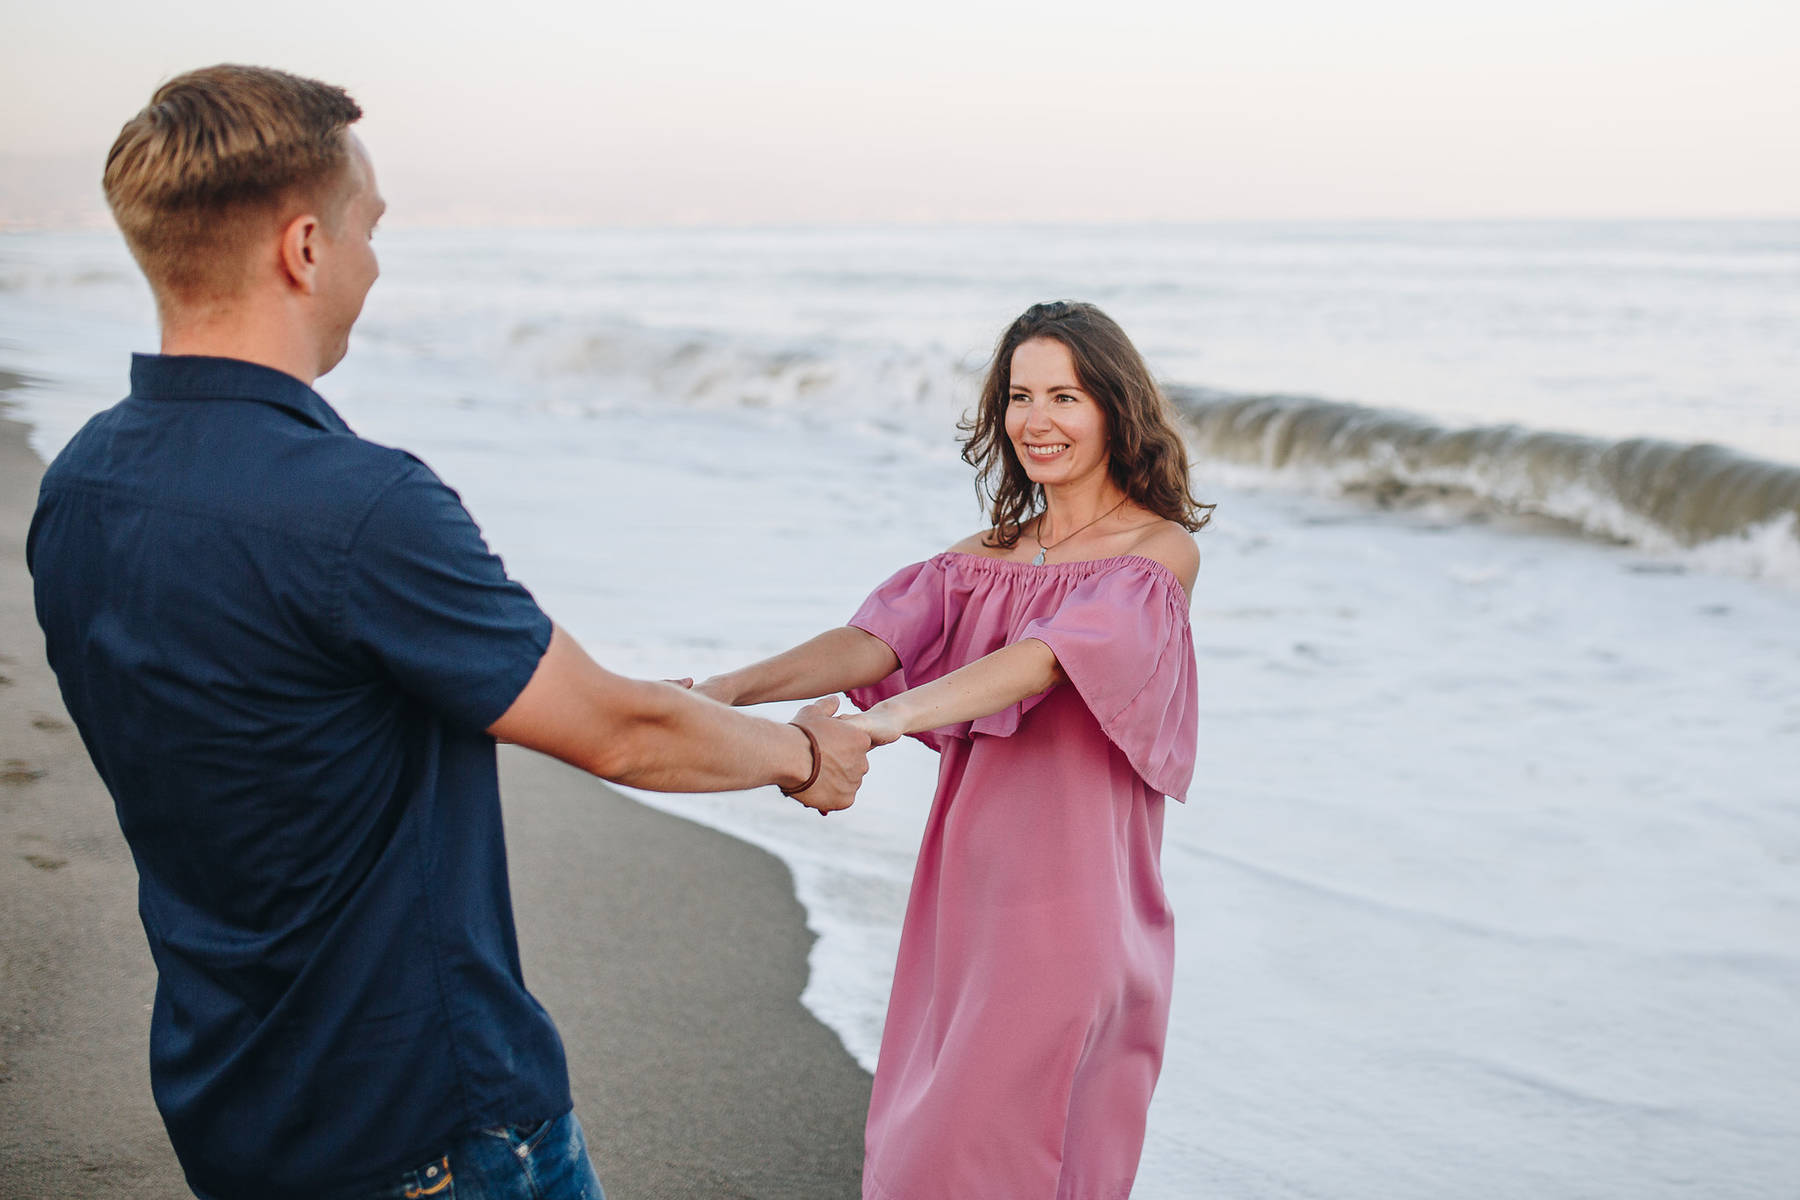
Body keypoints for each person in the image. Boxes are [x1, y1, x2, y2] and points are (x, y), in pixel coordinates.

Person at [26, 64, 872, 1200]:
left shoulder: (81, 485)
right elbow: (612, 736)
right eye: (372, 228)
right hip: (424, 1122)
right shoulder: (355, 506)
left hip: (229, 1098)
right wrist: (807, 755)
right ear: (306, 248)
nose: (378, 262)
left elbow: (299, 707)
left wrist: (658, 696)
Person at [688, 300, 1210, 1197]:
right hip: (967, 895)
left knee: (995, 1145)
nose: (1036, 421)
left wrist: (874, 725)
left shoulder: (1155, 556)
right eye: (1019, 396)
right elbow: (870, 643)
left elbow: (1043, 661)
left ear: (1116, 407)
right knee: (928, 1134)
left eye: (1066, 396)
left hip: (1075, 903)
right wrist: (726, 690)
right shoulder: (984, 555)